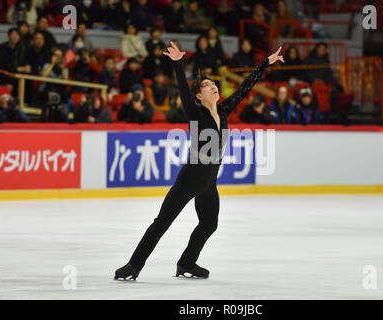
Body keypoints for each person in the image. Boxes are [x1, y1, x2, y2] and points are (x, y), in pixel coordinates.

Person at [114, 41, 283, 280]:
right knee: (162, 223)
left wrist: (265, 63)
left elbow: (245, 88)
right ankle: (133, 265)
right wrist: (178, 64)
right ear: (198, 95)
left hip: (209, 181)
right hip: (190, 178)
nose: (213, 86)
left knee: (209, 224)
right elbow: (183, 90)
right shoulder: (195, 113)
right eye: (206, 85)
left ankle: (186, 262)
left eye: (213, 83)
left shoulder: (223, 110)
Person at [0, 28, 31, 93]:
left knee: (29, 81)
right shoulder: (3, 48)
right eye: (13, 34)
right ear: (9, 36)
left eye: (17, 34)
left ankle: (27, 102)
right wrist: (17, 69)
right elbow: (2, 66)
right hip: (4, 76)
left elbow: (25, 61)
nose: (15, 36)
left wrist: (27, 67)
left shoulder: (21, 49)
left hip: (18, 76)